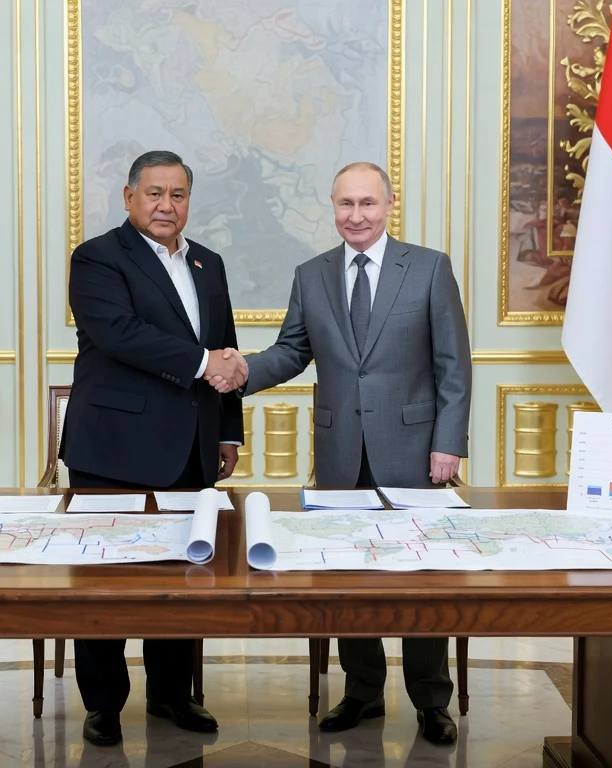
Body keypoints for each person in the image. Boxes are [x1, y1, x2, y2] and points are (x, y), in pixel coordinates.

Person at [207, 161, 472, 745]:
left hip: (415, 450)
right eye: (345, 204)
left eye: (368, 204)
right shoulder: (313, 274)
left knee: (421, 580)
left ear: (389, 204)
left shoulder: (428, 268)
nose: (356, 216)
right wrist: (244, 370)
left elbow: (454, 362)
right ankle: (362, 694)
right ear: (333, 207)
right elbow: (293, 350)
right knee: (347, 577)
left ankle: (431, 704)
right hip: (340, 455)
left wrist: (448, 443)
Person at [60, 150, 247, 746]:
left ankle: (172, 696)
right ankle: (104, 706)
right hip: (113, 448)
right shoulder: (96, 258)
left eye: (179, 194)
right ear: (129, 197)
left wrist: (227, 429)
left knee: (182, 581)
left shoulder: (208, 262)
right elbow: (119, 335)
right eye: (155, 193)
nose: (167, 205)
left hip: (190, 449)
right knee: (103, 584)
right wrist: (203, 363)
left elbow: (226, 346)